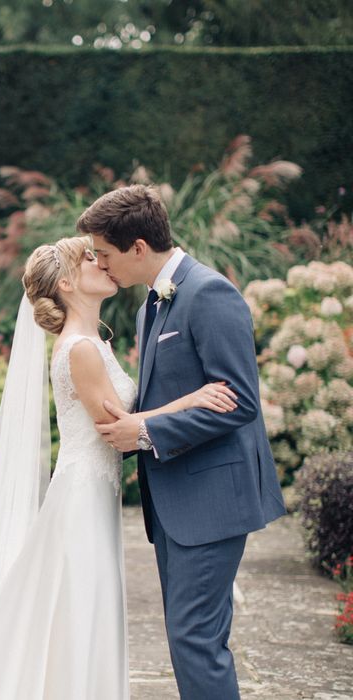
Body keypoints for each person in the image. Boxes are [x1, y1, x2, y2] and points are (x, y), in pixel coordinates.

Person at [0, 235, 240, 699]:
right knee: (81, 603)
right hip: (82, 497)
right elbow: (116, 427)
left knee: (77, 605)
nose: (102, 262)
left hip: (94, 492)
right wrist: (194, 399)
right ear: (66, 282)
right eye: (89, 258)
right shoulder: (79, 348)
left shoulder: (91, 342)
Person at [78, 185, 286, 700]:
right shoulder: (152, 306)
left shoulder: (209, 293)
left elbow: (239, 401)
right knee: (188, 638)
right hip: (174, 501)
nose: (103, 266)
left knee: (195, 640)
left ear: (139, 248)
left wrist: (145, 431)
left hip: (212, 499)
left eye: (105, 254)